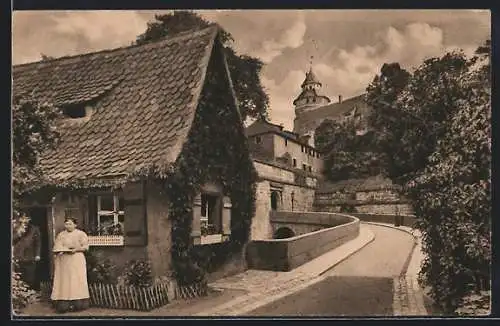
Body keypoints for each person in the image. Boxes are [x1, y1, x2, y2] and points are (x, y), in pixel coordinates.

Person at [51, 216, 90, 313]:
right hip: (64, 260)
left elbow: (85, 247)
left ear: (75, 225)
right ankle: (64, 302)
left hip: (77, 259)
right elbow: (57, 246)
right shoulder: (61, 235)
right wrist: (60, 250)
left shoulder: (81, 234)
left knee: (76, 280)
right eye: (66, 224)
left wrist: (76, 249)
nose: (68, 226)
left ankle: (79, 303)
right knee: (65, 281)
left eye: (70, 224)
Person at [13, 214, 41, 290]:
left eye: (26, 219)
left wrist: (37, 254)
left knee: (30, 277)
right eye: (23, 219)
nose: (25, 221)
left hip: (30, 256)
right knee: (19, 276)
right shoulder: (15, 227)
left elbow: (37, 243)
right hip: (18, 256)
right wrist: (19, 233)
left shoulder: (34, 229)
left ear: (29, 219)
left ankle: (29, 294)